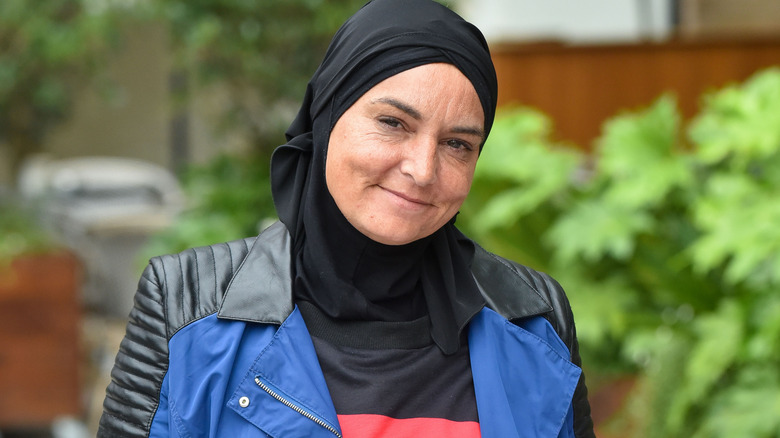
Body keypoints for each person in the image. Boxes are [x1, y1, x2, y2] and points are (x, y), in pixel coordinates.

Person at [99, 0, 595, 436]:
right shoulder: (186, 306)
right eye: (392, 123)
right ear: (326, 117)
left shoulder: (534, 319)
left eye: (457, 144)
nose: (422, 170)